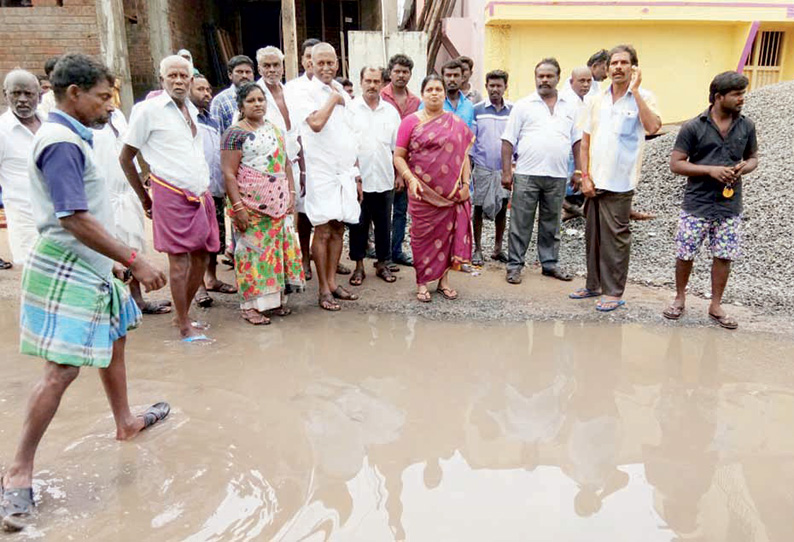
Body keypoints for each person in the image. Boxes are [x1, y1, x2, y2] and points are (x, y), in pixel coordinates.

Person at [0, 54, 170, 534]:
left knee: (116, 336)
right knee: (61, 371)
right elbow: (73, 216)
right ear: (73, 93)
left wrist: (114, 259)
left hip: (92, 262)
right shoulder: (59, 144)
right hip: (68, 263)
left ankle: (125, 421)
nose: (108, 106)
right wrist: (134, 258)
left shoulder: (71, 136)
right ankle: (18, 470)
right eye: (101, 96)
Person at [120, 55, 219, 341]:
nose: (178, 81)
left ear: (190, 79)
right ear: (161, 79)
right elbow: (126, 157)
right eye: (172, 76)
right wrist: (144, 197)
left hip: (200, 193)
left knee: (202, 255)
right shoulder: (147, 110)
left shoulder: (191, 108)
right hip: (171, 194)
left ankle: (181, 315)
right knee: (179, 263)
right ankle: (185, 325)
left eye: (183, 76)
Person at [663, 71, 758, 330]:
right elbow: (676, 164)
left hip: (730, 205)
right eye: (737, 94)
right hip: (697, 204)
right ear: (719, 97)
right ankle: (679, 298)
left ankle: (716, 305)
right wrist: (710, 170)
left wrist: (743, 168)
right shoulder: (693, 127)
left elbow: (753, 158)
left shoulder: (747, 126)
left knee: (724, 255)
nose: (742, 99)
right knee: (685, 253)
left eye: (742, 93)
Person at [571, 44, 662, 311]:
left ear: (634, 68)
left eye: (624, 63)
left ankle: (613, 291)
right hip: (594, 180)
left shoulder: (643, 97)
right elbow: (585, 142)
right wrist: (585, 176)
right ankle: (593, 285)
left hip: (621, 182)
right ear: (608, 69)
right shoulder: (595, 99)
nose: (618, 67)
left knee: (616, 238)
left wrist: (634, 92)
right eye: (614, 63)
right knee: (593, 237)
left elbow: (653, 127)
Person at [221, 83, 305, 324]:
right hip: (250, 207)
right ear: (241, 105)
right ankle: (250, 307)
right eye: (251, 100)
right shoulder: (234, 134)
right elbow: (228, 173)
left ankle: (274, 302)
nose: (258, 104)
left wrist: (290, 192)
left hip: (278, 205)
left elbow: (286, 163)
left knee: (275, 254)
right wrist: (238, 208)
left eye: (261, 100)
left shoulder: (274, 129)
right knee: (252, 255)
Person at [393, 74, 474, 302]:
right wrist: (410, 178)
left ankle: (443, 281)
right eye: (430, 89)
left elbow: (464, 157)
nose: (435, 93)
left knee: (446, 236)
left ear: (443, 93)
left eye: (438, 89)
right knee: (421, 237)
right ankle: (422, 282)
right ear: (423, 93)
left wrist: (466, 184)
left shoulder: (455, 122)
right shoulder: (410, 121)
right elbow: (398, 157)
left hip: (449, 193)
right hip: (421, 192)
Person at [502, 58, 582, 285]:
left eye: (549, 76)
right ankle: (515, 265)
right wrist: (506, 172)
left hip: (557, 176)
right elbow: (508, 140)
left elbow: (577, 142)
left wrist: (578, 171)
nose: (544, 80)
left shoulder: (570, 106)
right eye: (540, 76)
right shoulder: (524, 105)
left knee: (552, 222)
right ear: (535, 78)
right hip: (527, 174)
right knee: (521, 222)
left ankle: (549, 264)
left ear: (558, 78)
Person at [299, 42, 361, 311]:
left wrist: (356, 175)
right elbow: (315, 124)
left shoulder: (339, 90)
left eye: (330, 62)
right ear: (310, 63)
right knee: (323, 229)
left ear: (337, 63)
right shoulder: (305, 91)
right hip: (321, 172)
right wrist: (333, 100)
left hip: (343, 172)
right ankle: (323, 288)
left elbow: (351, 134)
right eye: (319, 62)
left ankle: (334, 282)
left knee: (339, 227)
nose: (325, 67)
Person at [93, 105, 171, 315]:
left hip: (126, 191)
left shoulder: (117, 115)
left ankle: (138, 301)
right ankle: (114, 304)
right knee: (110, 249)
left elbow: (130, 158)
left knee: (132, 246)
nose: (106, 99)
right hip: (103, 194)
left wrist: (142, 196)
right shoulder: (86, 121)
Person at [348, 66, 401, 285]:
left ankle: (382, 263)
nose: (372, 85)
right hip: (359, 179)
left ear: (382, 84)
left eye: (376, 81)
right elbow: (346, 146)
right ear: (360, 82)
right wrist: (353, 174)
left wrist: (398, 175)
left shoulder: (390, 112)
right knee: (358, 224)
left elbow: (398, 147)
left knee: (383, 224)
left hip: (384, 177)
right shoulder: (350, 109)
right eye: (368, 80)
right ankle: (358, 266)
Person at [191, 74, 236, 308]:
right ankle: (198, 287)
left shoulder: (210, 119)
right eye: (200, 89)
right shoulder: (186, 118)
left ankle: (212, 278)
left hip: (215, 188)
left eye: (208, 89)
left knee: (214, 238)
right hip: (195, 190)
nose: (206, 93)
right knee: (197, 240)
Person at [381, 53, 421, 268]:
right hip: (381, 163)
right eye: (397, 71)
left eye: (405, 72)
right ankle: (382, 254)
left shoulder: (416, 102)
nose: (401, 75)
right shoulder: (380, 97)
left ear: (410, 75)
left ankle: (396, 251)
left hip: (407, 165)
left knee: (400, 211)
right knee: (381, 211)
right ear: (390, 73)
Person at [0, 70, 43, 267]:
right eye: (16, 94)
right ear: (5, 94)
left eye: (28, 94)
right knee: (37, 276)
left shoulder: (51, 123)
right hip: (26, 220)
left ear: (40, 94)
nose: (23, 100)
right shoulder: (2, 131)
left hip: (61, 216)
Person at [470, 69, 512, 266]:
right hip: (482, 167)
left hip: (503, 168)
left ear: (505, 87)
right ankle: (477, 248)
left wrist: (511, 167)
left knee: (502, 207)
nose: (495, 89)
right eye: (492, 85)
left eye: (499, 86)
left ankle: (498, 248)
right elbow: (472, 139)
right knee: (478, 207)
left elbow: (514, 139)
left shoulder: (512, 111)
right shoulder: (477, 109)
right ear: (486, 87)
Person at [561, 66, 593, 222]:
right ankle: (570, 208)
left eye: (589, 81)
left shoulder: (584, 99)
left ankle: (574, 209)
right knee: (570, 179)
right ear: (572, 81)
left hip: (581, 146)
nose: (586, 85)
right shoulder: (567, 100)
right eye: (582, 81)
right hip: (569, 148)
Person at [421, 59, 475, 128]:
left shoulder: (468, 106)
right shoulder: (429, 103)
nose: (452, 79)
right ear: (442, 78)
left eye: (456, 75)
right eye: (448, 75)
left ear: (462, 78)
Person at [210, 55, 255, 135]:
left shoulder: (261, 98)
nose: (244, 76)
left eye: (248, 72)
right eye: (240, 72)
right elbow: (216, 135)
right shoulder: (220, 101)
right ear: (230, 75)